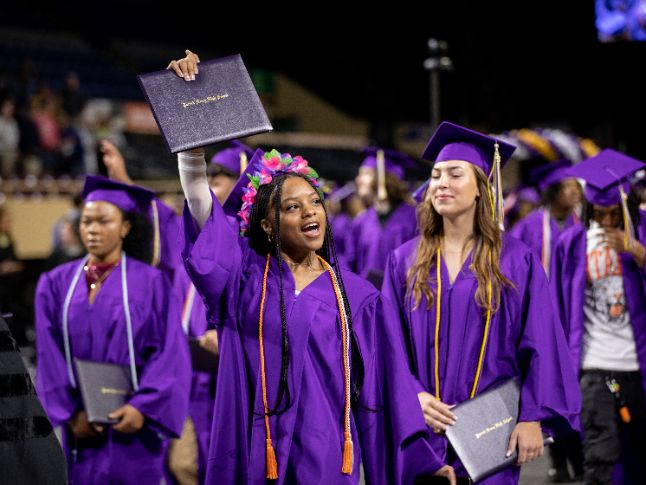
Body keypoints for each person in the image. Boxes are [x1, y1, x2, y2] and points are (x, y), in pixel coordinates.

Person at [169, 44, 451, 485]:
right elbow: (206, 217)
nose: (310, 212)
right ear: (266, 224)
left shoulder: (357, 296)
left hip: (326, 460)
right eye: (292, 206)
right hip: (253, 454)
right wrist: (192, 141)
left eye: (315, 201)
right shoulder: (243, 282)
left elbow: (386, 386)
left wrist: (425, 465)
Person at [382, 121, 581, 484]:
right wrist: (413, 397)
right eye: (436, 175)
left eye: (455, 174)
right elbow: (388, 344)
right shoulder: (403, 261)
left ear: (481, 189)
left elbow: (540, 343)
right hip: (422, 429)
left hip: (491, 431)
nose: (442, 183)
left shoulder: (516, 261)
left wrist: (531, 417)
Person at [35, 176, 191, 484]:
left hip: (134, 426)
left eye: (103, 221)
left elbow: (170, 351)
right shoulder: (56, 284)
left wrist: (142, 408)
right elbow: (48, 354)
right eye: (87, 221)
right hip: (82, 427)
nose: (92, 229)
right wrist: (69, 414)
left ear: (125, 227)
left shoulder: (152, 282)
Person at [552, 148, 646, 484]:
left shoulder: (643, 233)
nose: (607, 222)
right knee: (599, 460)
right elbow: (558, 310)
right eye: (600, 214)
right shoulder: (572, 243)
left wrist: (636, 252)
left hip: (639, 367)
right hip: (593, 366)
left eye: (614, 215)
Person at [344, 147, 418, 285]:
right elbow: (350, 265)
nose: (358, 179)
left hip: (402, 301)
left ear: (384, 178)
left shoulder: (414, 218)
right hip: (367, 301)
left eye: (365, 173)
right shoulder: (361, 222)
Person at [510, 160, 582, 278]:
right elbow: (512, 256)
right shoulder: (531, 223)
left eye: (576, 186)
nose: (574, 191)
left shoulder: (579, 224)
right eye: (568, 186)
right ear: (554, 191)